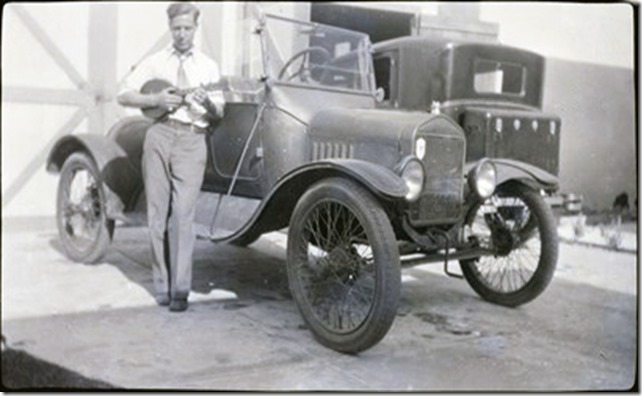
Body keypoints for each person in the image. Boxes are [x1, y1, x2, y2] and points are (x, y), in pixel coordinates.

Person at [117, 2, 225, 312]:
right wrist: (155, 98)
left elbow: (219, 112)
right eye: (177, 28)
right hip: (159, 134)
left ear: (195, 28)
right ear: (170, 28)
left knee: (182, 215)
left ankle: (180, 290)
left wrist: (207, 104)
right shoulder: (154, 62)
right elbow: (123, 93)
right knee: (156, 213)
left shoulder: (208, 67)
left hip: (192, 139)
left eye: (187, 28)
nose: (182, 34)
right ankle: (161, 286)